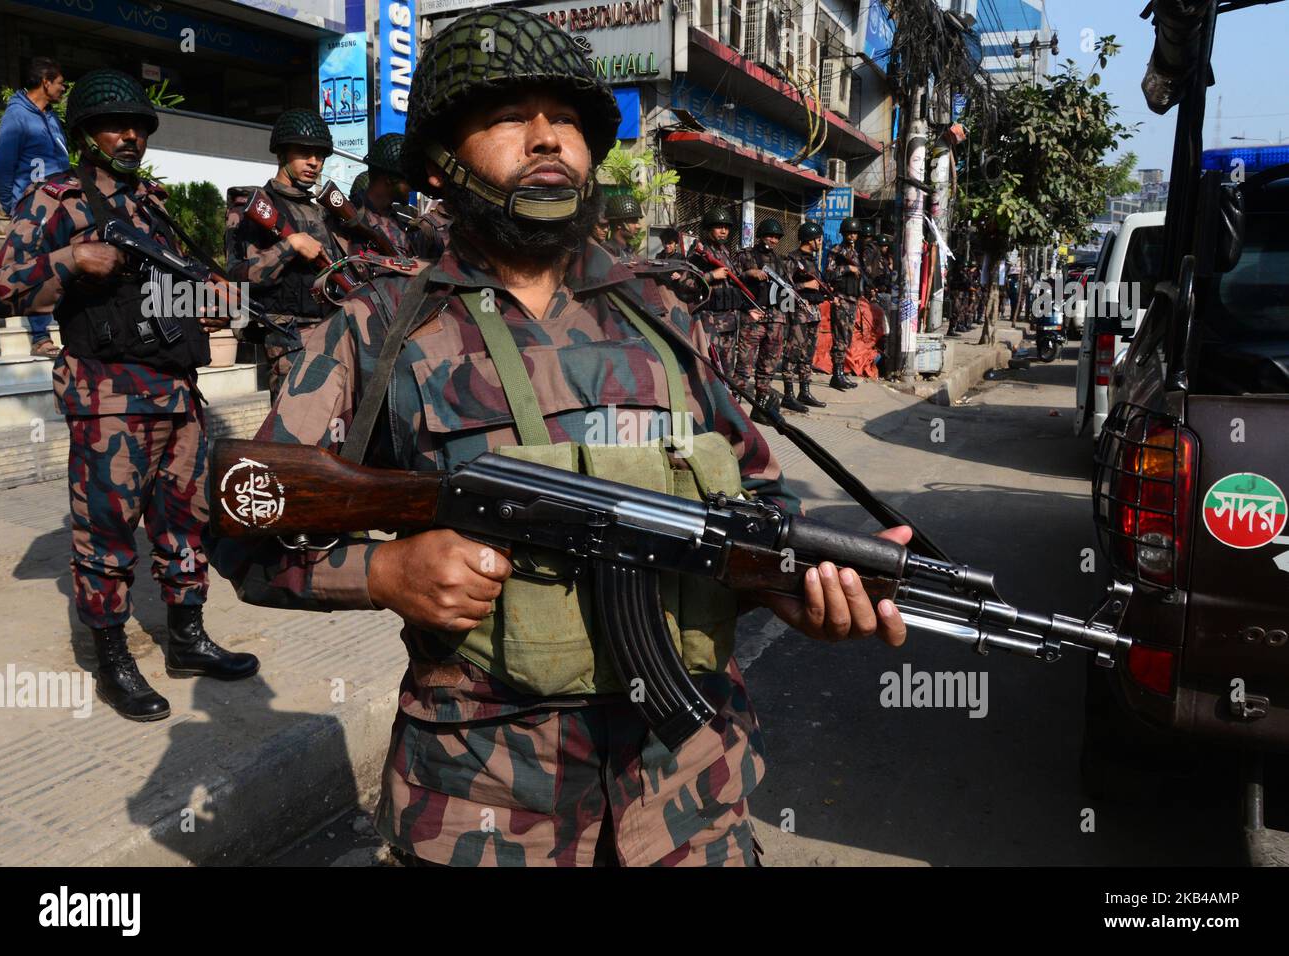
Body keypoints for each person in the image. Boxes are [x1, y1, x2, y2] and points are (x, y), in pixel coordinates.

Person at [206, 6, 906, 868]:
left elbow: (755, 499)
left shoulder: (663, 315)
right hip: (484, 813)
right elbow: (243, 525)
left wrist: (793, 586)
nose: (547, 139)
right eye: (508, 116)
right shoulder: (377, 328)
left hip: (691, 803)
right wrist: (384, 571)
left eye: (567, 120)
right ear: (439, 160)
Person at [0, 69, 259, 721]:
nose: (131, 133)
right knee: (106, 534)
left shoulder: (155, 202)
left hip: (176, 394)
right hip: (109, 398)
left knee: (184, 522)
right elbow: (2, 290)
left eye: (139, 124)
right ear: (84, 133)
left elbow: (165, 297)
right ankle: (110, 657)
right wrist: (69, 262)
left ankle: (187, 637)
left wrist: (211, 301)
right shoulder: (54, 198)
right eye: (116, 123)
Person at [225, 108, 348, 399]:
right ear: (282, 153)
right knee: (296, 438)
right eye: (304, 152)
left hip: (332, 335)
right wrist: (290, 246)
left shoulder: (321, 211)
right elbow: (239, 274)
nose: (314, 162)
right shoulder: (255, 205)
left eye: (320, 155)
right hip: (289, 342)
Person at [0, 56, 70, 358]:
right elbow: (4, 164)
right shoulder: (17, 116)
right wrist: (11, 204)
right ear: (45, 82)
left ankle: (65, 328)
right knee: (36, 266)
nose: (63, 88)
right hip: (31, 206)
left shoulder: (50, 116)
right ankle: (40, 338)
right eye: (60, 82)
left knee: (62, 264)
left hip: (60, 202)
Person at [733, 217, 790, 419]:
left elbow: (787, 287)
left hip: (775, 316)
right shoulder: (746, 255)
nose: (773, 240)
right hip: (753, 315)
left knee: (768, 364)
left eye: (776, 237)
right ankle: (735, 406)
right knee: (744, 364)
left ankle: (761, 404)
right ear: (761, 236)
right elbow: (733, 279)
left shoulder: (779, 260)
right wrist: (749, 273)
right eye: (770, 236)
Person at [686, 207, 751, 380]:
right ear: (708, 229)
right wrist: (710, 276)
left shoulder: (726, 254)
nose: (723, 230)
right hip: (710, 322)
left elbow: (734, 286)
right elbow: (686, 283)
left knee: (727, 372)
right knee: (710, 371)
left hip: (729, 322)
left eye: (726, 227)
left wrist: (747, 308)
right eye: (718, 226)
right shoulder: (699, 254)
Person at [780, 220, 826, 409]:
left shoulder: (811, 261)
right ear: (810, 240)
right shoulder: (792, 260)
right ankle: (788, 394)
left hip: (813, 313)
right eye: (818, 239)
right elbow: (784, 287)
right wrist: (805, 286)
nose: (821, 242)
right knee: (792, 352)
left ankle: (804, 391)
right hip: (798, 313)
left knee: (807, 354)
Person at [822, 217, 862, 389]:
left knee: (846, 338)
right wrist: (848, 268)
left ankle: (840, 373)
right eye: (849, 233)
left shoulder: (856, 254)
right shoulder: (836, 251)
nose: (852, 236)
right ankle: (837, 375)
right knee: (840, 337)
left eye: (854, 233)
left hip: (852, 299)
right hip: (841, 298)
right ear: (843, 234)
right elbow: (828, 274)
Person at [602, 192, 642, 261]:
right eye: (633, 221)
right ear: (618, 224)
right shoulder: (607, 252)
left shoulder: (629, 249)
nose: (638, 226)